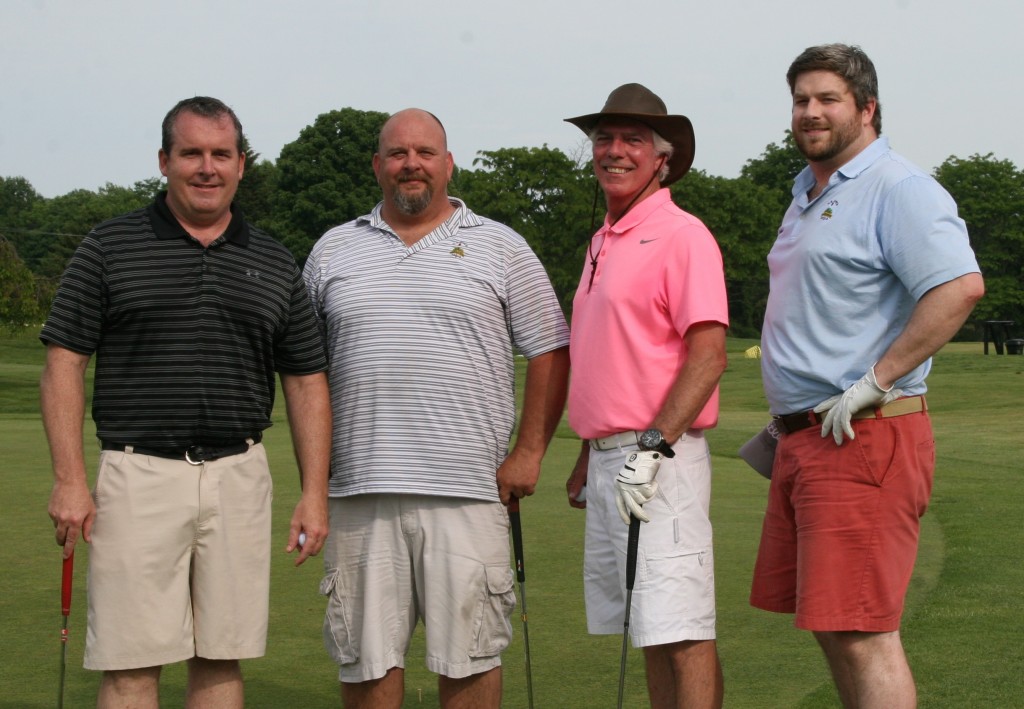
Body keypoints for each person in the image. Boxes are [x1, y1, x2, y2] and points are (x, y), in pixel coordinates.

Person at [41, 96, 332, 709]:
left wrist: (313, 493)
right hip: (137, 472)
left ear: (242, 164)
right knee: (130, 663)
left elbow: (305, 380)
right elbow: (64, 363)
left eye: (220, 154)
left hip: (238, 475)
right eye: (191, 153)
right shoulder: (109, 246)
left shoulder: (276, 260)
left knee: (220, 655)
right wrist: (70, 479)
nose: (207, 167)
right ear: (164, 162)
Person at [303, 108, 570, 709]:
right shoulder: (332, 250)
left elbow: (551, 348)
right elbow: (305, 374)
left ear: (449, 164)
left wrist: (528, 453)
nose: (411, 164)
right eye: (397, 153)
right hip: (359, 491)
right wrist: (312, 485)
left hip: (468, 492)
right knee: (366, 663)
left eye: (425, 152)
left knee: (470, 659)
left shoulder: (500, 245)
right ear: (377, 166)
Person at [750, 44, 985, 709]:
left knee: (861, 630)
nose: (811, 112)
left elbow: (960, 288)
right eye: (801, 100)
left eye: (828, 99)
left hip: (865, 433)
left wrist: (877, 379)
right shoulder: (806, 193)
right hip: (808, 438)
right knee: (833, 627)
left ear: (867, 108)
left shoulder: (898, 188)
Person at [563, 84, 729, 709]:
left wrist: (652, 448)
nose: (614, 150)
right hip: (613, 455)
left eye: (632, 139)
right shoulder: (602, 239)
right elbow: (612, 358)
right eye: (604, 138)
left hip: (662, 457)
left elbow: (708, 355)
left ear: (662, 158)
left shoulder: (682, 234)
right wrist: (589, 453)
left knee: (682, 628)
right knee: (650, 629)